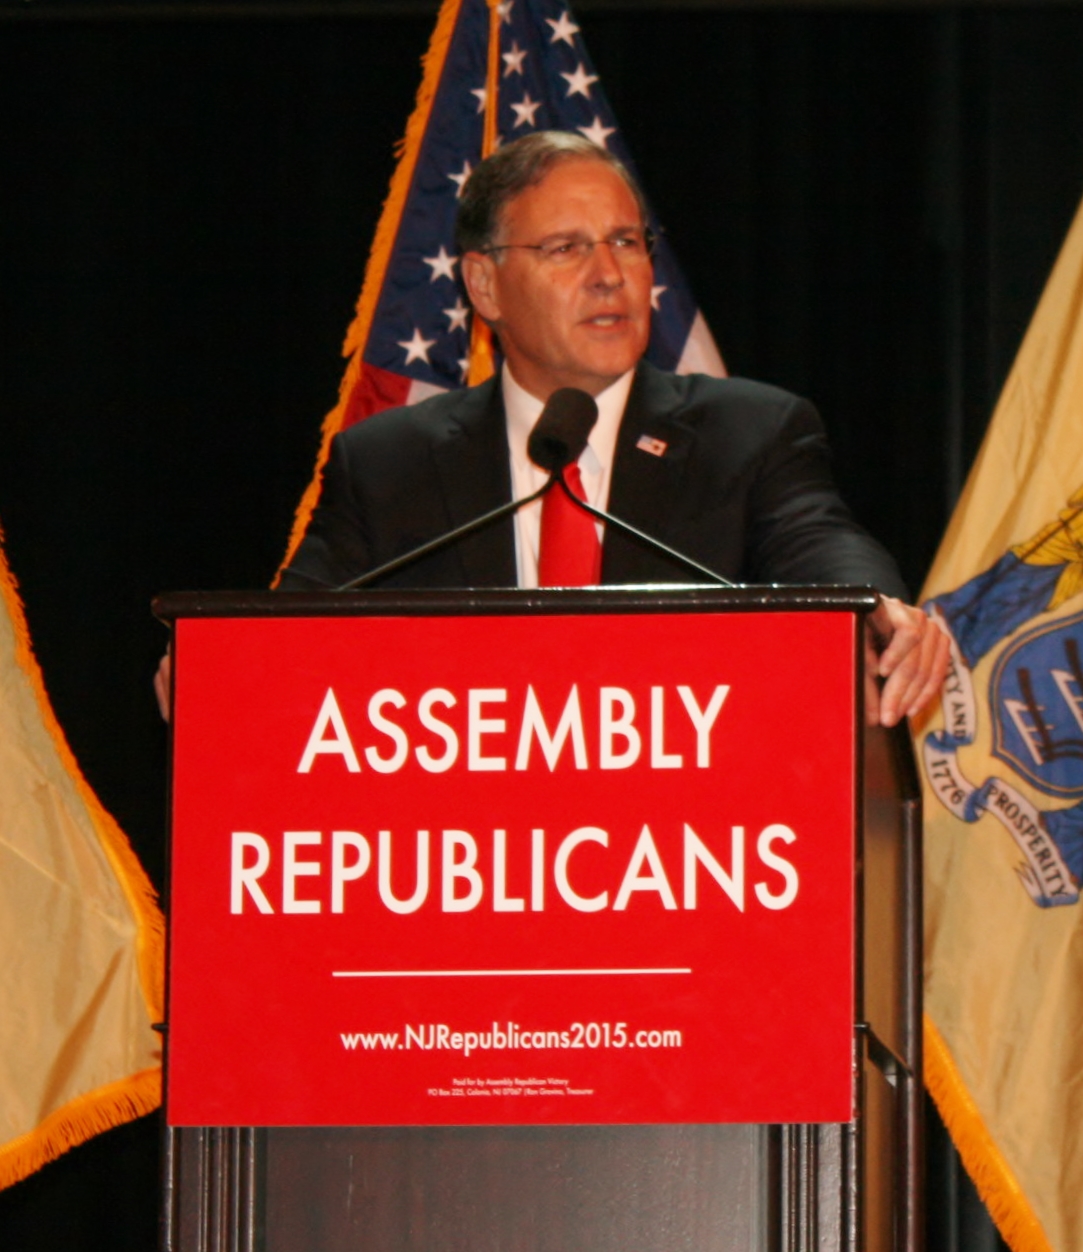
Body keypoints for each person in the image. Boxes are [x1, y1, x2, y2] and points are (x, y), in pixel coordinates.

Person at [157, 131, 948, 725]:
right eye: (565, 248)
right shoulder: (389, 462)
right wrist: (220, 667)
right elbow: (293, 629)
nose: (608, 275)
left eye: (626, 243)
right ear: (483, 286)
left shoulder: (750, 433)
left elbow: (819, 539)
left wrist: (876, 609)